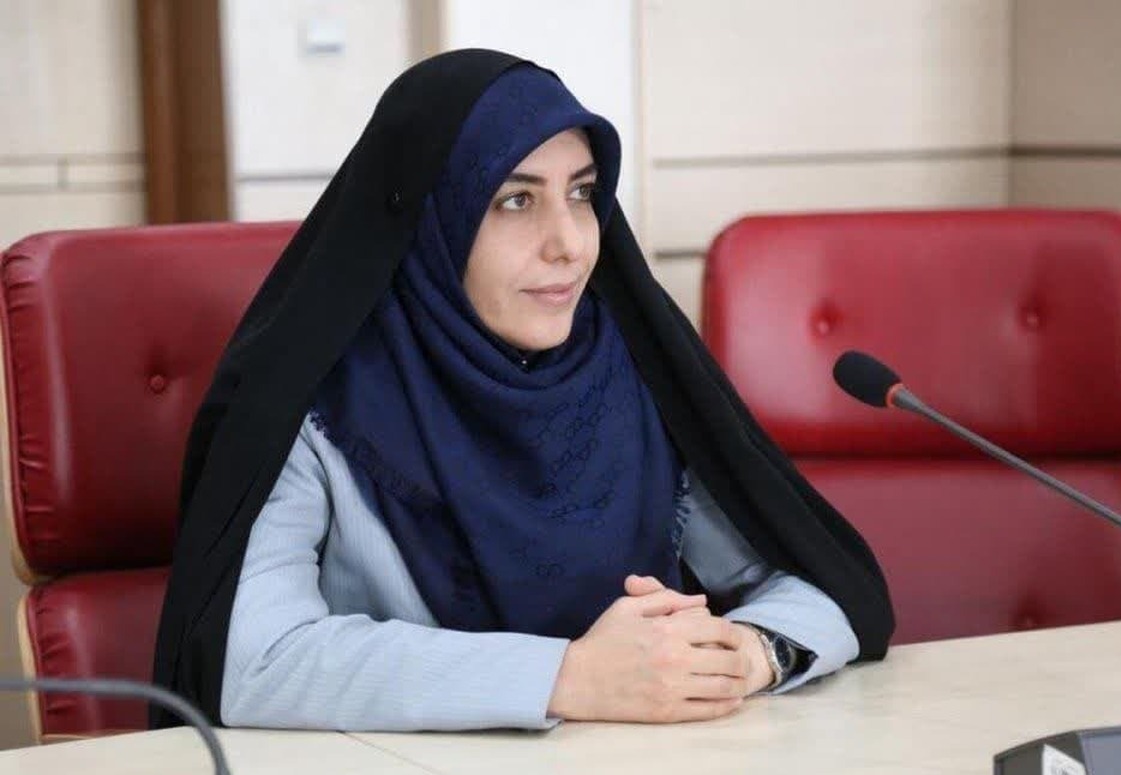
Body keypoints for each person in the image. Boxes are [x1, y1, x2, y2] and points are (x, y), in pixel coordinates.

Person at [151, 49, 894, 732]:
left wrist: (751, 655)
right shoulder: (316, 399)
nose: (569, 243)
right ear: (430, 218)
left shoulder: (631, 373)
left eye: (583, 193)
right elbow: (255, 661)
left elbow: (813, 579)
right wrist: (568, 677)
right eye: (515, 200)